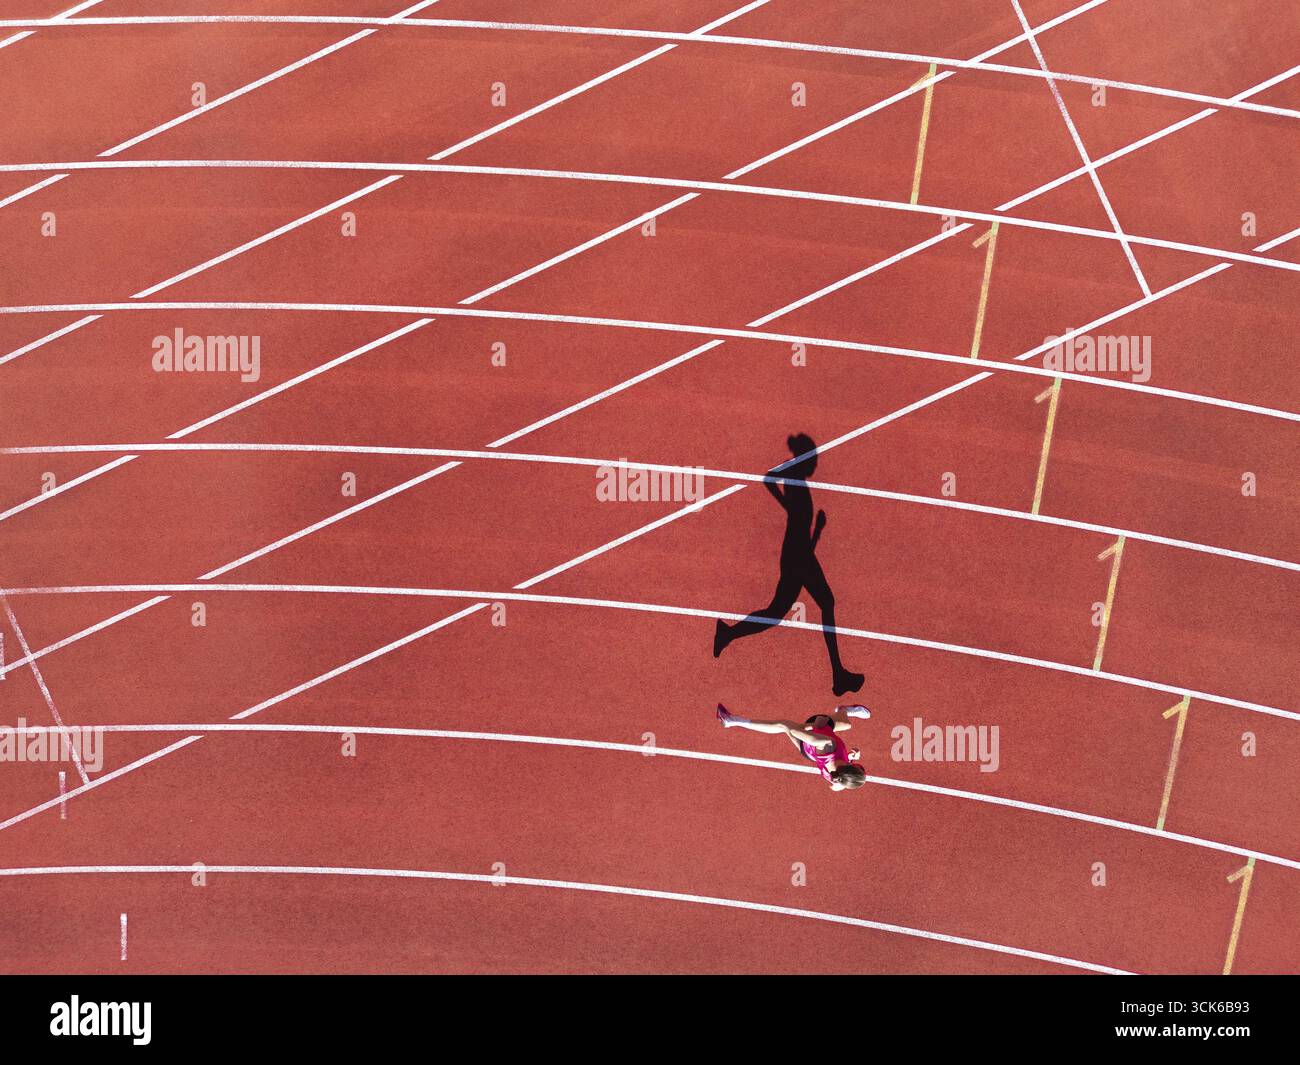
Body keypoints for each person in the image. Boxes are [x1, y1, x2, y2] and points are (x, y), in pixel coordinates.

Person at [713, 434, 864, 695]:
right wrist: (808, 524)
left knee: (777, 613)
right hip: (799, 554)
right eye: (814, 458)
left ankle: (728, 634)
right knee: (825, 603)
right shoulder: (796, 479)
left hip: (797, 552)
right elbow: (770, 480)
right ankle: (838, 675)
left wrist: (813, 528)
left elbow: (771, 481)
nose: (815, 463)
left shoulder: (796, 479)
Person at [716, 701, 872, 791]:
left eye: (860, 767)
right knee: (846, 725)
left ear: (852, 768)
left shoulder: (827, 745)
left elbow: (797, 730)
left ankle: (732, 720)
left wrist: (813, 725)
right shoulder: (837, 780)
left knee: (782, 725)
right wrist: (849, 757)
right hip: (810, 751)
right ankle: (842, 712)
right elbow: (837, 787)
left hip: (816, 732)